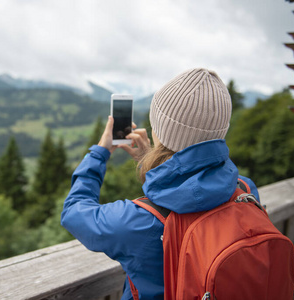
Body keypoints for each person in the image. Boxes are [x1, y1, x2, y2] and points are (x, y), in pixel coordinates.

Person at [61, 68, 259, 300]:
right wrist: (155, 167)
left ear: (159, 132)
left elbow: (74, 211)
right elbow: (194, 192)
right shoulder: (245, 190)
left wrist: (99, 152)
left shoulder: (136, 222)